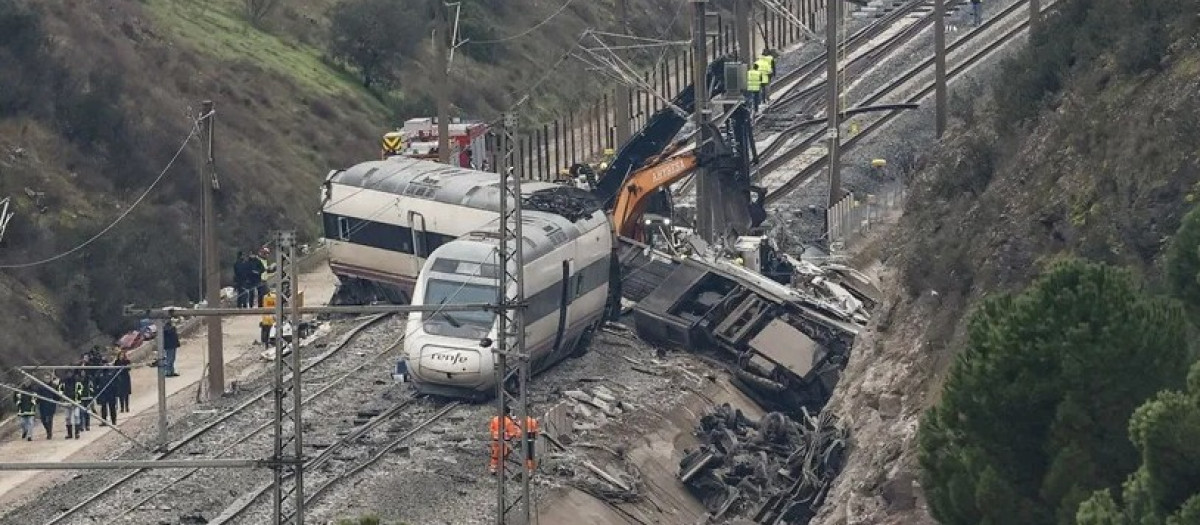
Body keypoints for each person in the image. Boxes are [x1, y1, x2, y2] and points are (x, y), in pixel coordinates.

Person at [488, 409, 520, 474]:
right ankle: (502, 470)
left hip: (496, 440)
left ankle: (493, 469)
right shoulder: (508, 421)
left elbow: (491, 429)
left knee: (495, 455)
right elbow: (512, 433)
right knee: (504, 456)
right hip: (505, 441)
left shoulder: (495, 419)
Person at [60, 370, 84, 439]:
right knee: (67, 417)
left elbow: (80, 391)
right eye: (68, 373)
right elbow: (60, 390)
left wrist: (77, 401)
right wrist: (62, 399)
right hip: (66, 401)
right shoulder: (63, 381)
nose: (69, 374)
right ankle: (69, 434)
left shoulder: (77, 381)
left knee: (76, 416)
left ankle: (77, 433)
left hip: (76, 401)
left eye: (70, 373)